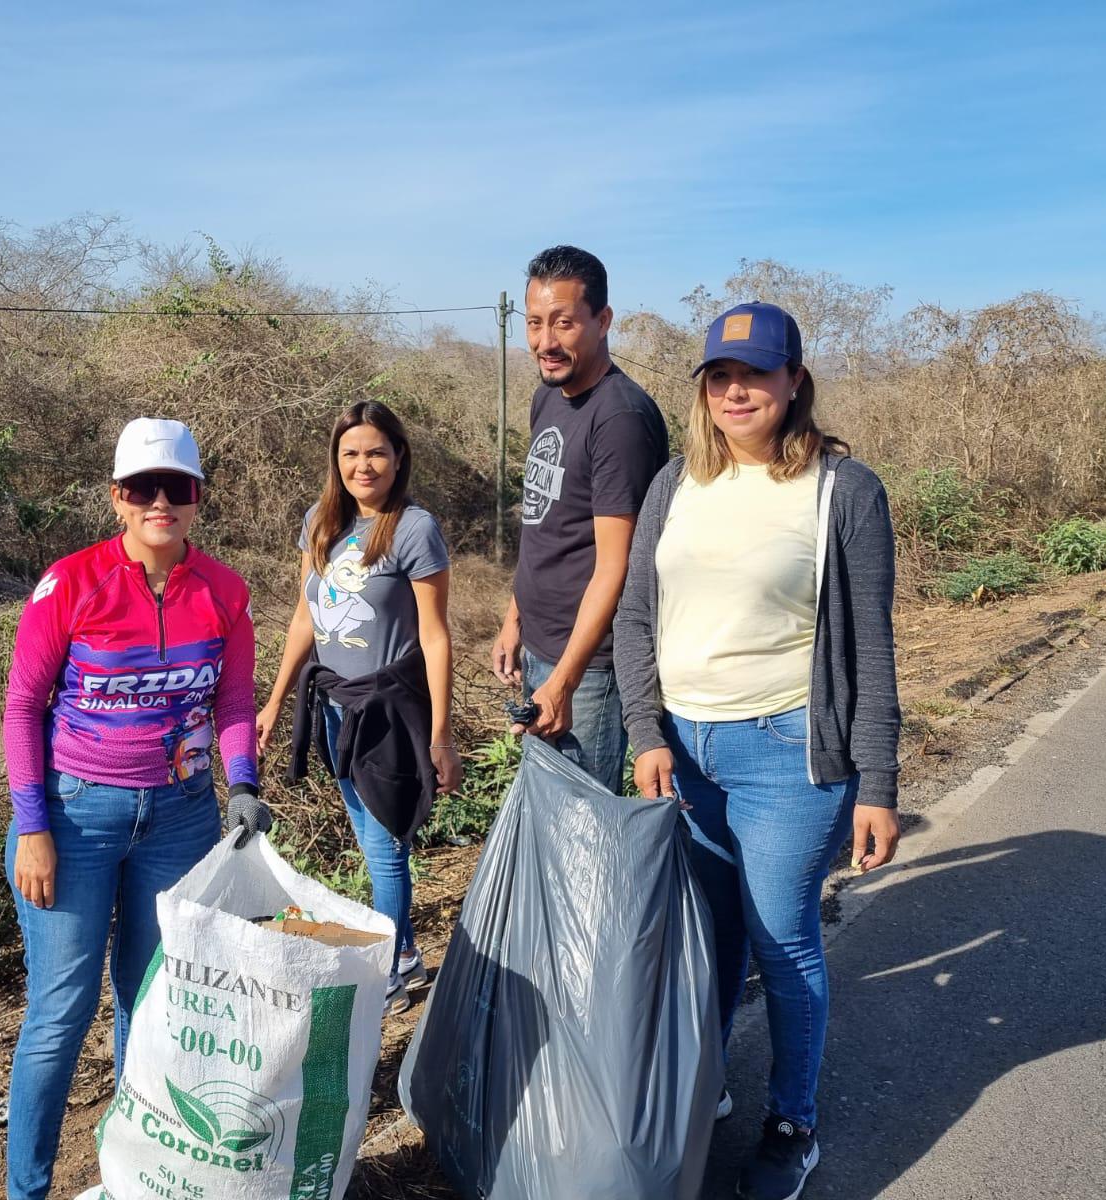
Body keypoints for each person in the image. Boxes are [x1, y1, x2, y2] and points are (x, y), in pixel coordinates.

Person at [613, 302, 901, 1200]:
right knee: (713, 941)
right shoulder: (674, 483)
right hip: (686, 753)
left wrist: (878, 783)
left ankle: (793, 1120)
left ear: (795, 383)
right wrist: (647, 731)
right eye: (720, 376)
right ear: (703, 387)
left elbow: (873, 647)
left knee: (782, 943)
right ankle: (711, 1088)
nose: (737, 390)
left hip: (787, 754)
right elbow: (633, 617)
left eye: (757, 374)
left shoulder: (840, 491)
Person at [0, 417, 271, 1200]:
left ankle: (135, 1177)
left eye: (177, 489)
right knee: (59, 1014)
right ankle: (29, 1191)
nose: (161, 503)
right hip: (75, 816)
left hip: (181, 817)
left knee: (151, 1002)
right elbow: (23, 706)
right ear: (118, 498)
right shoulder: (71, 582)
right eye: (143, 488)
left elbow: (232, 699)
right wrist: (33, 827)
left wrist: (243, 782)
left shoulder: (225, 591)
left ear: (197, 500)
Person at [258, 400, 461, 1013]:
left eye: (376, 451)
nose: (363, 465)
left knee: (383, 847)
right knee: (368, 837)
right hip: (333, 706)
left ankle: (391, 967)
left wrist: (442, 733)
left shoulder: (413, 529)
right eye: (350, 453)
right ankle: (403, 953)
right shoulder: (320, 521)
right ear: (336, 460)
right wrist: (275, 700)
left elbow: (435, 634)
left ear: (399, 458)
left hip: (388, 711)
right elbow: (304, 618)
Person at [492, 244, 669, 792]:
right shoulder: (549, 398)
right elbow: (547, 523)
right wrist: (514, 618)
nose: (546, 342)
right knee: (554, 816)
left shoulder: (618, 418)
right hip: (544, 649)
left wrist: (565, 681)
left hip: (590, 667)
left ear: (603, 321)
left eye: (565, 323)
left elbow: (616, 567)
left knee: (583, 830)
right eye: (536, 323)